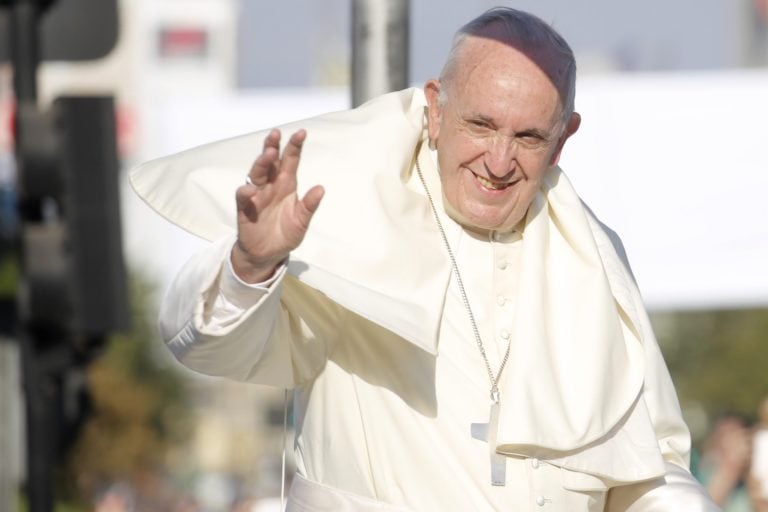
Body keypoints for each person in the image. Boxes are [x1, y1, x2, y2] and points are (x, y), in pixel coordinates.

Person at [131, 7, 720, 511]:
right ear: (435, 108)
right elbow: (208, 346)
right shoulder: (348, 218)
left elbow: (645, 464)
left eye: (528, 137)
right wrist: (252, 265)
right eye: (481, 124)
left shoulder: (592, 255)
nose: (497, 160)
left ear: (564, 137)